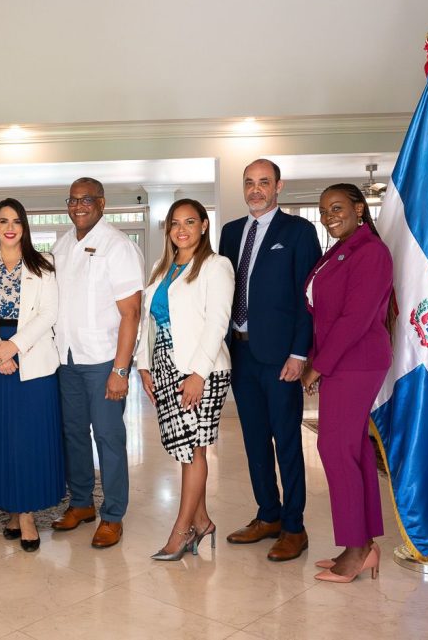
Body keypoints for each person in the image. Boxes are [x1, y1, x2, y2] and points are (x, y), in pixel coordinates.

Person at [219, 158, 322, 562]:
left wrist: (300, 353)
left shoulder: (298, 231)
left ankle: (295, 527)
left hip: (280, 357)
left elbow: (309, 298)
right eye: (249, 182)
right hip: (240, 352)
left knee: (287, 442)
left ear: (279, 186)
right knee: (254, 441)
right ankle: (268, 515)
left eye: (264, 182)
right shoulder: (231, 233)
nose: (255, 189)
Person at [301, 183, 392, 583]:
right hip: (345, 361)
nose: (328, 216)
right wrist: (317, 358)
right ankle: (363, 544)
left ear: (359, 208)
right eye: (324, 211)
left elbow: (355, 318)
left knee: (335, 448)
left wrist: (318, 366)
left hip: (357, 362)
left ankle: (356, 551)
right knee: (352, 450)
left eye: (336, 208)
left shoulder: (371, 251)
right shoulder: (341, 250)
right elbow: (326, 313)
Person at [136, 199, 234, 561]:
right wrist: (143, 365)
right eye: (175, 223)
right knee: (184, 449)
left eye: (190, 222)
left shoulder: (216, 266)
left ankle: (181, 531)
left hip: (200, 369)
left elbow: (217, 323)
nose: (182, 229)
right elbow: (148, 321)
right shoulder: (161, 268)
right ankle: (202, 521)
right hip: (164, 364)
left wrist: (198, 375)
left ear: (204, 226)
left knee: (194, 450)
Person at [50, 177, 144, 548]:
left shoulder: (117, 246)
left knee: (108, 436)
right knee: (72, 434)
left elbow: (131, 312)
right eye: (73, 200)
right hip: (67, 359)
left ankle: (113, 515)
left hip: (104, 360)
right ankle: (81, 503)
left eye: (86, 199)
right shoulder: (61, 246)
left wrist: (121, 370)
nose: (78, 206)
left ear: (102, 203)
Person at [0, 198, 65, 553]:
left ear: (24, 227)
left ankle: (26, 515)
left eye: (16, 221)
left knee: (28, 439)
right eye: (3, 221)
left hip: (32, 358)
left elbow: (49, 313)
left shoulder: (44, 263)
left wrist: (15, 347)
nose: (10, 227)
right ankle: (11, 510)